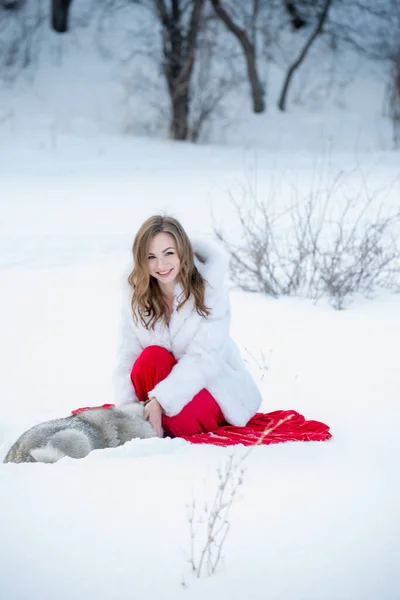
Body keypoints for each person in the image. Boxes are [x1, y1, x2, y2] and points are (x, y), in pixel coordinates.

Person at [112, 214, 262, 438]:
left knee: (179, 423)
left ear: (182, 250)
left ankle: (162, 418)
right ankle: (155, 418)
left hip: (213, 386)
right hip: (160, 385)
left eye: (169, 253)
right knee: (151, 357)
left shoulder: (209, 286)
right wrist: (128, 412)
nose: (161, 265)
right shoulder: (137, 294)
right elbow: (128, 356)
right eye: (151, 257)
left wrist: (162, 400)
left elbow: (205, 357)